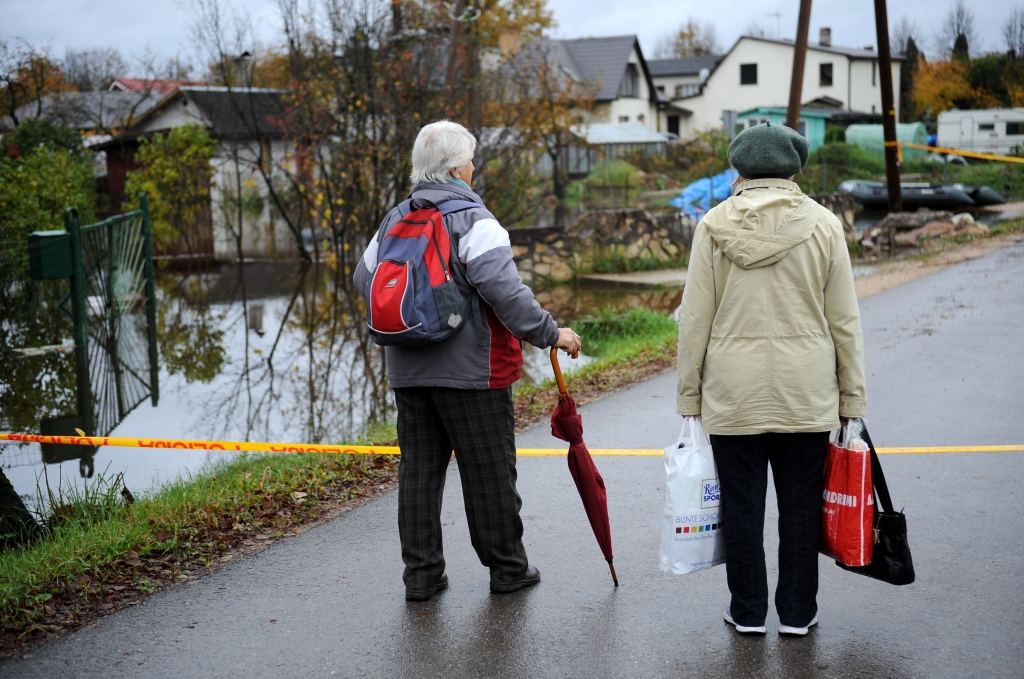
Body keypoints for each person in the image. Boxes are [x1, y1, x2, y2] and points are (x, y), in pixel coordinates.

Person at [354, 120, 581, 602]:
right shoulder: (474, 220)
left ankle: (421, 578)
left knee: (418, 475)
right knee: (488, 473)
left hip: (408, 371)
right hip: (475, 373)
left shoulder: (394, 219)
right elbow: (505, 291)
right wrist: (549, 332)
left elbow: (365, 279)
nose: (474, 167)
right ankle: (507, 570)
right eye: (471, 159)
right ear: (458, 168)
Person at [676, 122, 866, 636]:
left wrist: (689, 396)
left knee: (740, 506)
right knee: (801, 506)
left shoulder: (712, 225)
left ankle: (748, 612)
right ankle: (799, 613)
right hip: (807, 392)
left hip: (731, 393)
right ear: (794, 169)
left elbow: (695, 318)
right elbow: (843, 321)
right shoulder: (825, 226)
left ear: (739, 168)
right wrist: (852, 398)